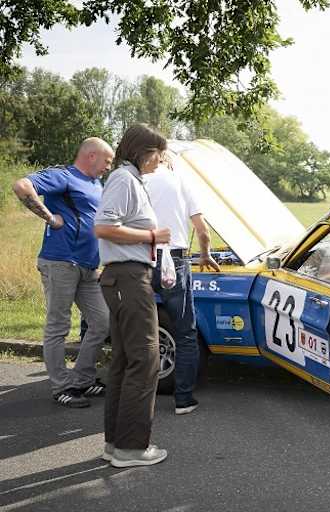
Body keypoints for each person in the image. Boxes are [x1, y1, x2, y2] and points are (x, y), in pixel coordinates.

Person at [12, 138, 114, 408]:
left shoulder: (96, 183)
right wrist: (49, 217)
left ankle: (82, 379)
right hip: (60, 262)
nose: (108, 166)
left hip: (88, 266)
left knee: (102, 321)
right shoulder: (63, 176)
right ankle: (62, 387)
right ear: (91, 156)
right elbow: (22, 186)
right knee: (58, 325)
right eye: (107, 161)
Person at [93, 123, 171, 468]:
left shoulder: (129, 179)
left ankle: (116, 444)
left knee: (126, 361)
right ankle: (131, 448)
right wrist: (152, 236)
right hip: (128, 277)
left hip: (124, 277)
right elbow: (104, 226)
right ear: (142, 151)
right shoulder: (124, 179)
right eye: (157, 153)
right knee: (146, 359)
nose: (160, 160)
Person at [144, 159, 220, 415]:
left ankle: (140, 397)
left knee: (140, 331)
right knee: (185, 331)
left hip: (142, 257)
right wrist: (205, 255)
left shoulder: (137, 179)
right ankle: (183, 399)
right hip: (174, 260)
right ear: (170, 163)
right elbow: (202, 231)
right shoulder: (180, 182)